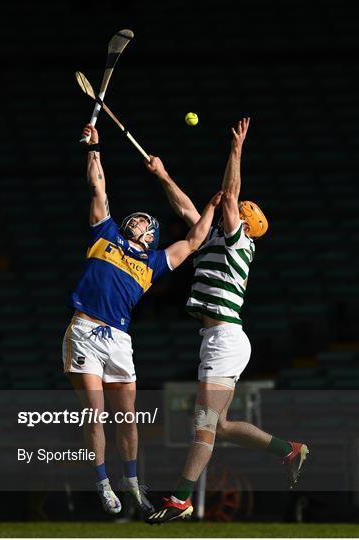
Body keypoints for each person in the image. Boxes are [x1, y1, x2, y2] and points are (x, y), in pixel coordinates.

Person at [145, 118, 309, 523]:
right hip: (220, 338)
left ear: (246, 225)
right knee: (220, 424)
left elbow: (231, 193)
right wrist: (163, 175)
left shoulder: (239, 241)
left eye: (239, 213)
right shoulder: (213, 239)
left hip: (225, 338)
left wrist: (236, 150)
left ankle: (181, 499)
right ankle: (288, 449)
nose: (232, 211)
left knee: (203, 424)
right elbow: (184, 207)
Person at [62, 124, 223, 516]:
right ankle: (102, 482)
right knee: (95, 415)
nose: (136, 221)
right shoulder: (105, 234)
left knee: (128, 420)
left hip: (119, 339)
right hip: (84, 330)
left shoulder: (153, 263)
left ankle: (132, 482)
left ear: (150, 234)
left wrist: (213, 208)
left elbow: (193, 241)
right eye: (133, 219)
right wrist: (93, 147)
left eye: (143, 222)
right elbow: (98, 186)